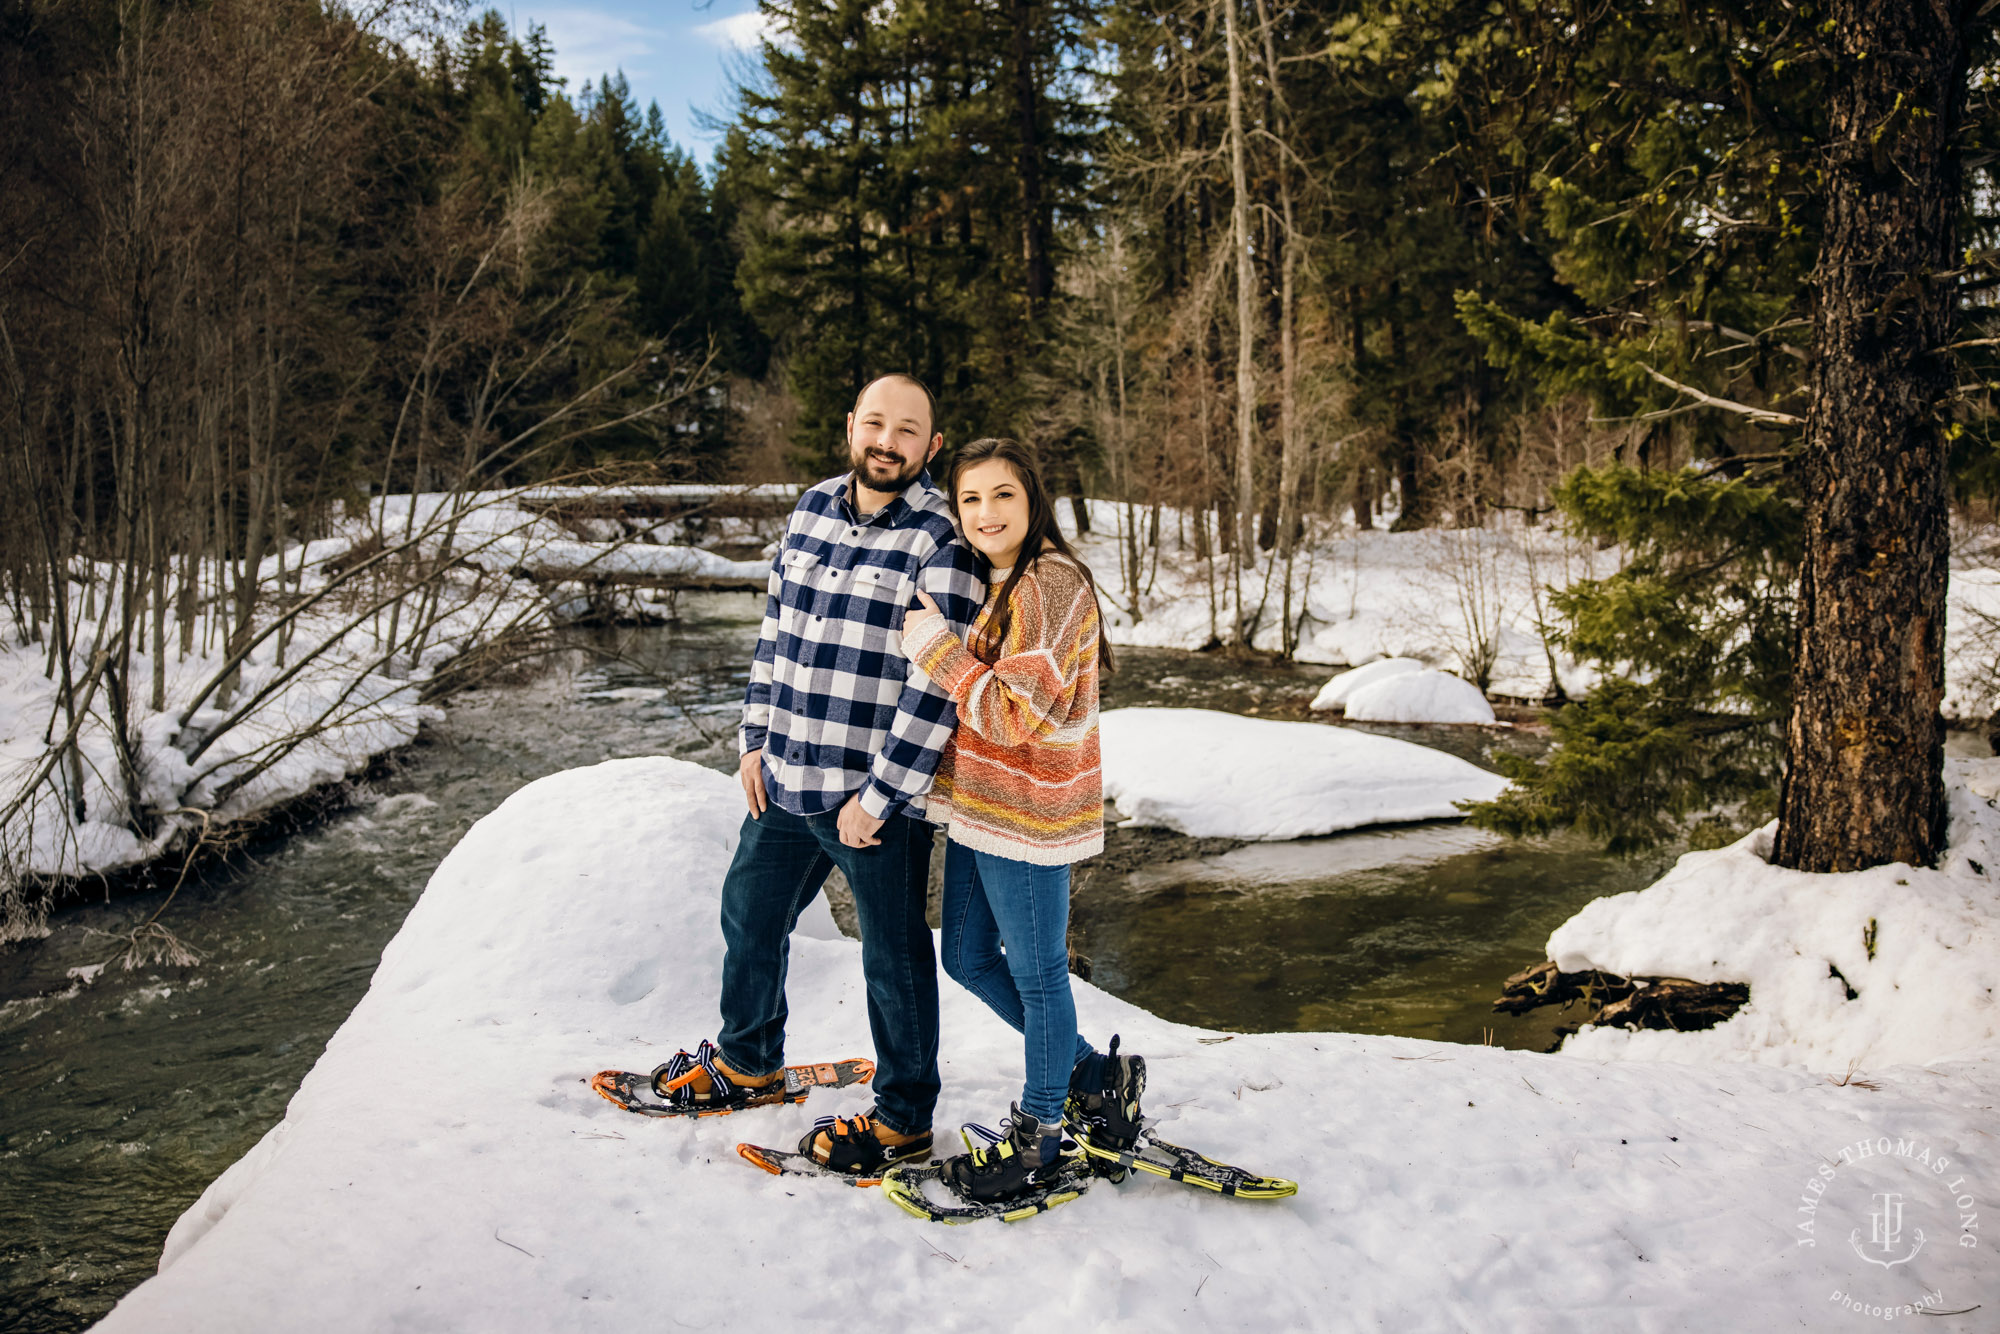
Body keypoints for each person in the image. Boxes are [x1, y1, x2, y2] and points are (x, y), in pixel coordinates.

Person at [653, 373, 984, 1176]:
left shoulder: (945, 540)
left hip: (873, 801)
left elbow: (939, 683)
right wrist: (753, 738)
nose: (888, 440)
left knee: (892, 957)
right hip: (786, 772)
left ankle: (904, 1117)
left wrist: (882, 797)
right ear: (849, 428)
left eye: (908, 430)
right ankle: (747, 1062)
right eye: (876, 423)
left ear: (931, 447)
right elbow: (776, 634)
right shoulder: (809, 508)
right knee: (749, 916)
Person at [895, 437, 1146, 1203]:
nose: (985, 513)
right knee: (967, 958)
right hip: (980, 808)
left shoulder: (1051, 581)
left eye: (1002, 495)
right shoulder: (1000, 582)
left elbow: (1008, 712)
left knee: (1039, 977)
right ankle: (1094, 1077)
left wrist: (935, 649)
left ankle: (1040, 1136)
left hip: (1030, 813)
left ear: (1032, 498)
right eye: (970, 499)